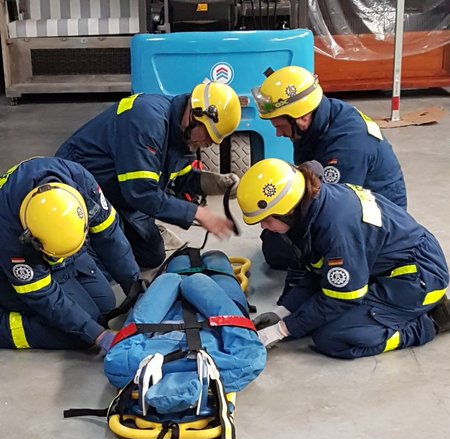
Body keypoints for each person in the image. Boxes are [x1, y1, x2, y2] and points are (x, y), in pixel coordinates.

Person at [236, 158, 450, 359]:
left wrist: (282, 330)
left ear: (288, 210)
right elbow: (317, 272)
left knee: (334, 337)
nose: (263, 226)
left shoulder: (336, 230)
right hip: (386, 267)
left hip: (417, 278)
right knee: (310, 318)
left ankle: (430, 322)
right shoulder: (315, 209)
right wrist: (283, 312)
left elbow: (341, 297)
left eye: (267, 220)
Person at [55, 81, 242, 268]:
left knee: (152, 255)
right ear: (195, 115)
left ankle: (117, 234)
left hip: (118, 191)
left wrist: (216, 184)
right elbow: (141, 191)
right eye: (209, 134)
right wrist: (198, 213)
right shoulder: (147, 121)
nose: (209, 143)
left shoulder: (180, 134)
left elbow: (179, 178)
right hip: (80, 188)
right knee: (106, 264)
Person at [252, 66, 407, 270]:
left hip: (379, 224)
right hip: (360, 200)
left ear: (302, 117)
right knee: (276, 231)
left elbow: (332, 207)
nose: (278, 134)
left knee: (278, 247)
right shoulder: (320, 120)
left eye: (281, 127)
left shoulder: (347, 146)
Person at [0, 156, 142, 351]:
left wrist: (136, 289)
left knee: (104, 303)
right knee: (79, 335)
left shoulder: (80, 181)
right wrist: (97, 335)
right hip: (7, 272)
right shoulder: (8, 232)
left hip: (58, 257)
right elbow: (41, 294)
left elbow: (111, 239)